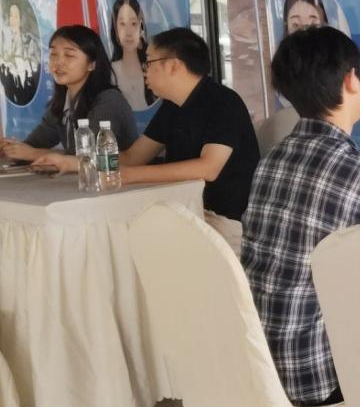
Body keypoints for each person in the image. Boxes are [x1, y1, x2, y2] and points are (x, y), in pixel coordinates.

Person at [243, 26, 360, 407]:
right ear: (351, 81)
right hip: (311, 376)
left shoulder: (273, 158)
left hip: (256, 361)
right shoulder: (354, 168)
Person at [35, 28, 259, 246]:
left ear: (173, 65)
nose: (144, 71)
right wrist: (72, 163)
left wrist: (127, 176)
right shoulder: (171, 107)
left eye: (149, 62)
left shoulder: (223, 102)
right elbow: (133, 157)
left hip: (221, 220)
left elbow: (208, 168)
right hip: (182, 211)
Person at [0, 25, 138, 161]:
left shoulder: (109, 100)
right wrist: (13, 148)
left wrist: (32, 154)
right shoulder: (63, 101)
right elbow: (35, 144)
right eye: (53, 54)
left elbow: (87, 157)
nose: (58, 62)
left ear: (92, 64)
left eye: (69, 55)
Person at [109, 0, 156, 110]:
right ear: (115, 28)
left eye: (134, 23)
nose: (128, 32)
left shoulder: (153, 68)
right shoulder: (110, 72)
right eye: (122, 24)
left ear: (141, 27)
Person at [0, 0, 42, 106]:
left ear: (21, 19)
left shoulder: (29, 40)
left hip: (26, 84)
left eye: (16, 16)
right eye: (11, 15)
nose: (13, 19)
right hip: (10, 84)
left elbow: (36, 62)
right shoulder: (4, 40)